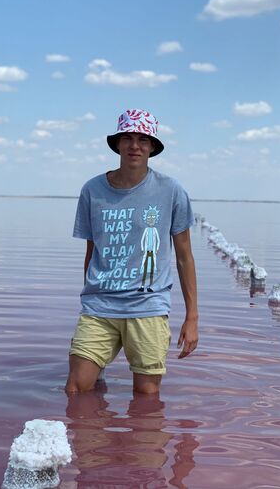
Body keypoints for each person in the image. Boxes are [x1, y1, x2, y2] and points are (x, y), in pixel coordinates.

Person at [65, 109, 198, 394]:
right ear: (117, 144)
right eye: (127, 138)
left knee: (147, 397)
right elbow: (92, 250)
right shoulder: (92, 190)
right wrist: (88, 296)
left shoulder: (171, 190)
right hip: (99, 306)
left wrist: (192, 318)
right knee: (76, 390)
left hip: (148, 307)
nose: (134, 145)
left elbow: (184, 257)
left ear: (152, 147)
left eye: (142, 139)